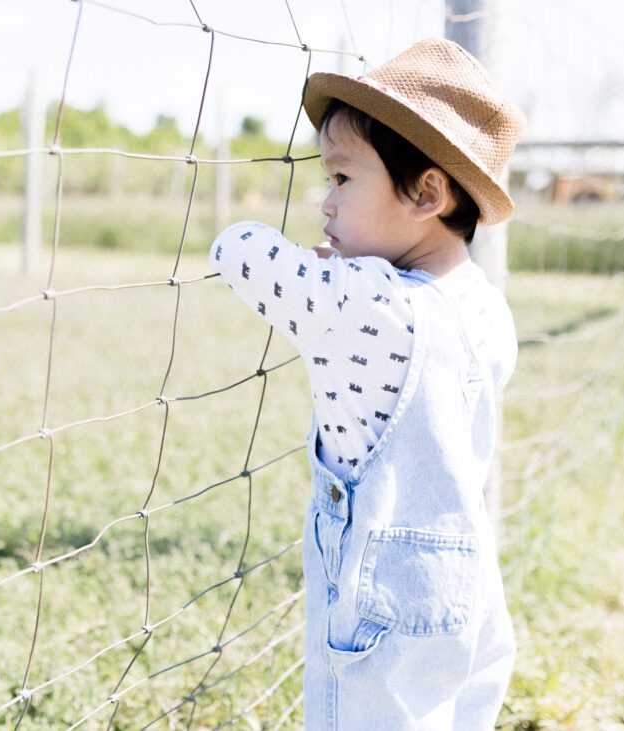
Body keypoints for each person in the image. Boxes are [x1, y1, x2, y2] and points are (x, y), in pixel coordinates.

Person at [208, 38, 524, 729]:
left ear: (428, 193)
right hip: (469, 593)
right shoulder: (484, 304)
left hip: (383, 602)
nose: (325, 202)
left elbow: (234, 248)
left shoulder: (369, 303)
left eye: (343, 180)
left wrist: (334, 273)